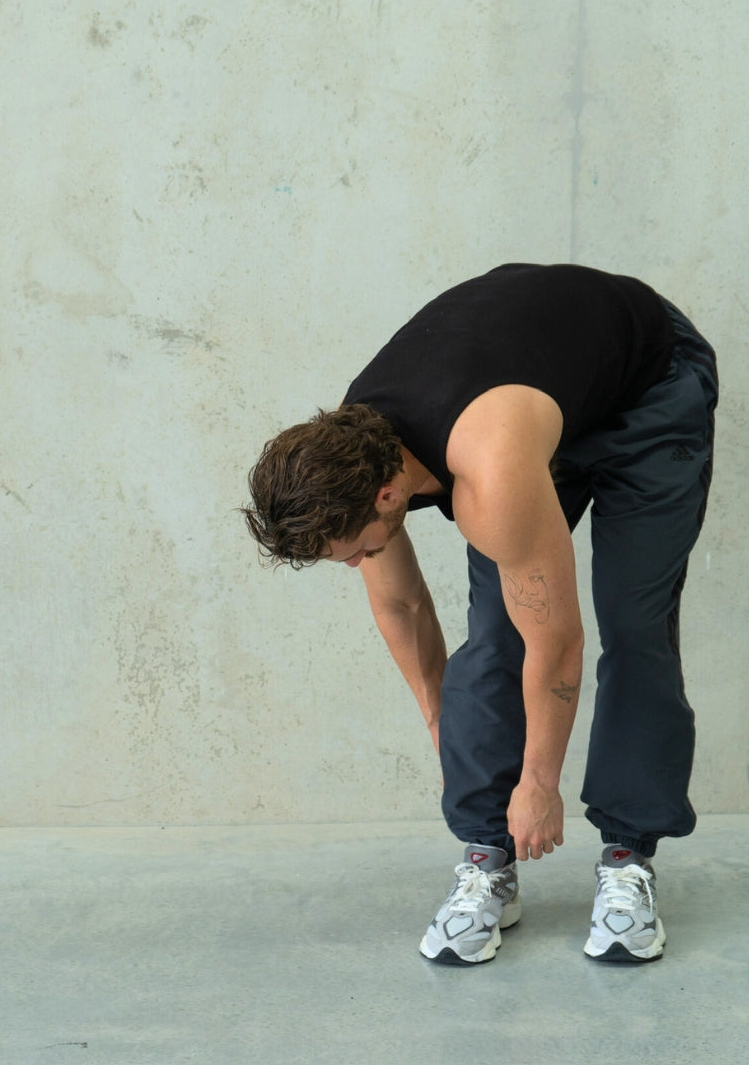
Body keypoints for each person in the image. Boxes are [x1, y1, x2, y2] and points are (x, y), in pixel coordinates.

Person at [243, 263, 718, 965]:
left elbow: (558, 646)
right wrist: (443, 725)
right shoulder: (351, 450)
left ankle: (627, 855)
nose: (352, 565)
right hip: (543, 388)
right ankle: (488, 854)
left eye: (351, 553)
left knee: (634, 622)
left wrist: (539, 783)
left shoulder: (488, 475)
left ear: (385, 496)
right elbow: (402, 604)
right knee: (494, 631)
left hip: (649, 383)